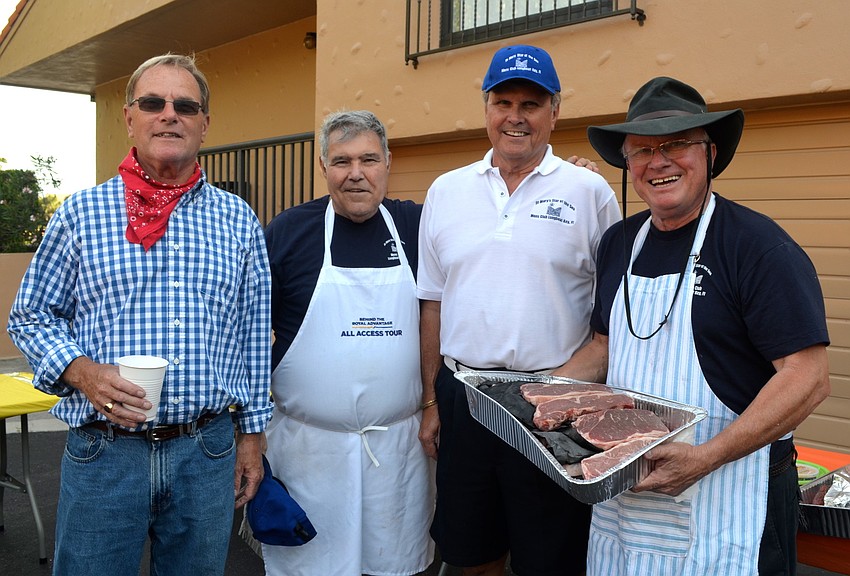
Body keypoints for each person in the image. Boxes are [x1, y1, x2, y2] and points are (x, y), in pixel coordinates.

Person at [7, 54, 272, 576]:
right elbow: (31, 315)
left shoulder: (238, 220)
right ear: (129, 118)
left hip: (207, 452)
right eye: (153, 103)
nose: (169, 114)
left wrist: (253, 437)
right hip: (105, 452)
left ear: (204, 124)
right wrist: (83, 372)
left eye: (185, 105)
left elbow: (251, 337)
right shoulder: (81, 214)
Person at [553, 76, 831, 575]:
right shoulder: (619, 242)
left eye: (677, 144)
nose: (658, 162)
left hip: (735, 488)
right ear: (627, 164)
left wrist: (707, 456)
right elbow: (603, 347)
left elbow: (807, 377)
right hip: (628, 488)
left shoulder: (757, 247)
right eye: (641, 150)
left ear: (710, 152)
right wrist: (543, 394)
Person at [417, 45, 622, 576]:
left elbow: (612, 312)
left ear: (554, 111)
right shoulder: (446, 191)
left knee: (550, 556)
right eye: (502, 101)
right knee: (470, 553)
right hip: (465, 396)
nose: (515, 116)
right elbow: (432, 303)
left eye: (530, 104)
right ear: (486, 107)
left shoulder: (589, 190)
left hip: (554, 401)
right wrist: (431, 401)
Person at [262, 110, 435, 575]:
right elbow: (250, 331)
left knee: (392, 567)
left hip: (397, 453)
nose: (356, 174)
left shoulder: (417, 226)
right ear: (323, 168)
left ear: (388, 163)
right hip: (308, 454)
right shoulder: (288, 232)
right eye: (341, 161)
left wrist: (567, 181)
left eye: (368, 160)